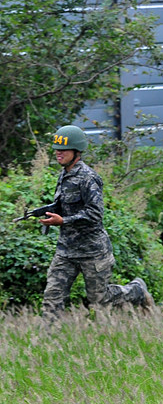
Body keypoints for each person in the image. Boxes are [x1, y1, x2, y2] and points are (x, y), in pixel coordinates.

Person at [39, 125, 155, 323]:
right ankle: (46, 341)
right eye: (56, 149)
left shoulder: (88, 178)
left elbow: (95, 214)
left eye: (63, 150)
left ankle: (136, 290)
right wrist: (51, 213)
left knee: (100, 300)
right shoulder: (64, 175)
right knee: (52, 297)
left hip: (92, 251)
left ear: (76, 152)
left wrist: (63, 221)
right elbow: (66, 206)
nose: (58, 153)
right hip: (66, 250)